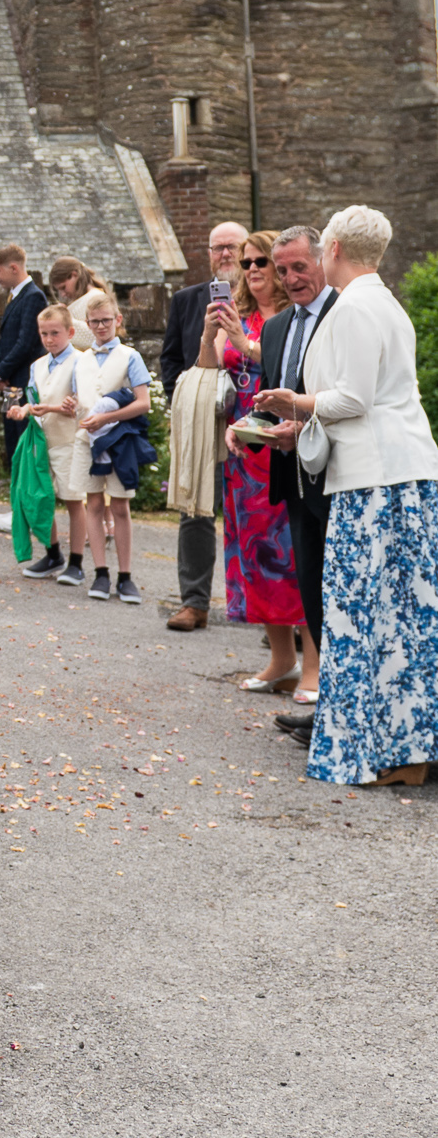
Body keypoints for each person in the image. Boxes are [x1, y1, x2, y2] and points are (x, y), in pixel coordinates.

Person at [259, 205, 438, 788]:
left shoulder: (356, 307)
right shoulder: (385, 303)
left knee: (360, 618)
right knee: (400, 619)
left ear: (332, 248)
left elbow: (354, 399)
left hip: (374, 481)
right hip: (398, 472)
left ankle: (376, 751)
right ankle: (405, 750)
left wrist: (293, 402)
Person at [239, 228, 338, 752]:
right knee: (313, 592)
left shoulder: (344, 312)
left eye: (300, 266)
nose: (291, 278)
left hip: (342, 476)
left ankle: (337, 707)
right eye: (283, 270)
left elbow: (350, 399)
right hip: (294, 481)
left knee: (341, 596)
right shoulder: (276, 328)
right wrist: (248, 428)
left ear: (322, 260)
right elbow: (271, 400)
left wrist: (301, 425)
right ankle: (328, 710)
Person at [203, 233, 313, 697]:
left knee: (295, 554)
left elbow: (288, 365)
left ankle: (314, 665)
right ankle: (281, 660)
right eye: (246, 262)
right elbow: (209, 367)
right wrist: (211, 334)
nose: (251, 268)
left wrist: (243, 342)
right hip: (244, 451)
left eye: (260, 261)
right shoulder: (239, 314)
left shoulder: (296, 317)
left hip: (286, 444)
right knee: (256, 555)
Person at [160, 220, 250, 630]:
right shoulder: (187, 300)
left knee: (253, 513)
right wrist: (184, 404)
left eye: (233, 246)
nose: (225, 254)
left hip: (248, 421)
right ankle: (194, 602)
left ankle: (260, 609)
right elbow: (169, 360)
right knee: (195, 511)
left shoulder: (262, 298)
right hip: (201, 423)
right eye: (218, 247)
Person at [69, 296, 151, 604]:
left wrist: (106, 418)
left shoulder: (130, 356)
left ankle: (125, 576)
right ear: (88, 324)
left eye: (106, 320)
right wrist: (71, 406)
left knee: (119, 506)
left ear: (117, 319)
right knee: (92, 503)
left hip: (119, 441)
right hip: (86, 440)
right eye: (95, 321)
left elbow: (144, 403)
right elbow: (80, 400)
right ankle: (100, 573)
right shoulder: (80, 360)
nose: (101, 326)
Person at [7, 304, 86, 581]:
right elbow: (34, 400)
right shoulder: (37, 365)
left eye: (55, 333)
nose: (49, 339)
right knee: (43, 497)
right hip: (42, 442)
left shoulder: (80, 362)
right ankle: (53, 554)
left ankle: (76, 562)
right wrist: (23, 410)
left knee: (74, 501)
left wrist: (53, 408)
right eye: (44, 334)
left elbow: (81, 405)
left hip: (69, 441)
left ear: (70, 333)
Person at [0, 244, 47, 467]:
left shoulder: (34, 297)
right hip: (10, 384)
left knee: (23, 439)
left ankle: (26, 486)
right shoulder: (15, 296)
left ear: (13, 268)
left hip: (23, 381)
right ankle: (16, 486)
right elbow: (5, 341)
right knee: (12, 439)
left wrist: (0, 372)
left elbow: (26, 343)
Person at [48, 257, 110, 351]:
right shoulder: (80, 301)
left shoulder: (97, 298)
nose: (63, 294)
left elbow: (97, 336)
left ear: (74, 275)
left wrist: (63, 319)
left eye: (63, 287)